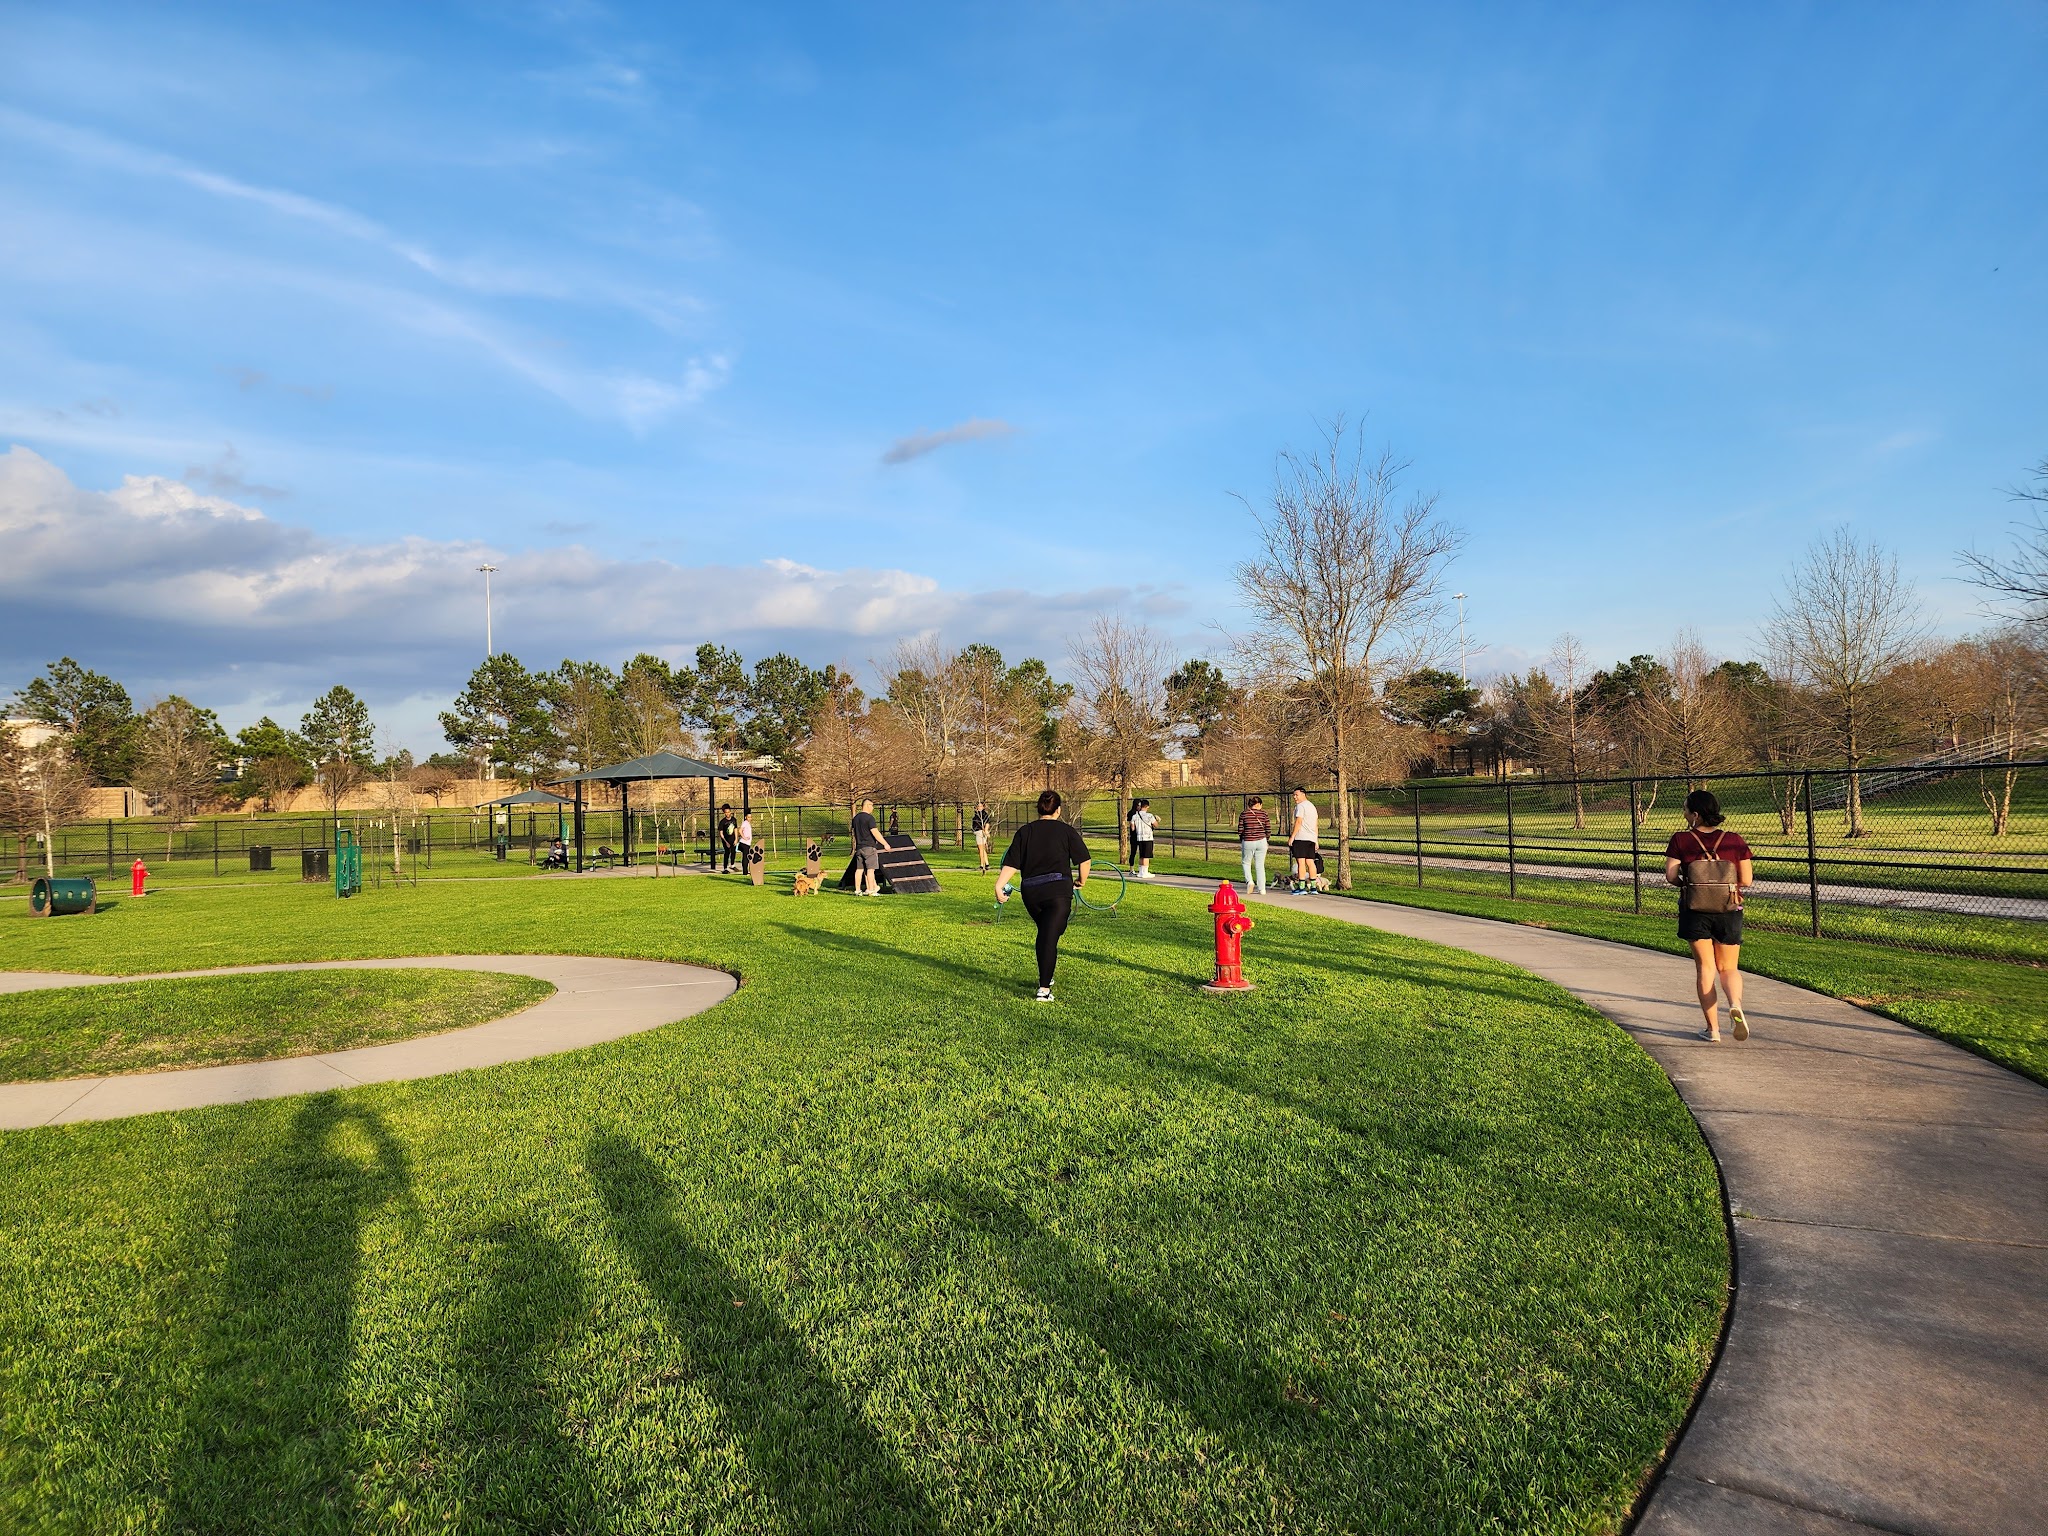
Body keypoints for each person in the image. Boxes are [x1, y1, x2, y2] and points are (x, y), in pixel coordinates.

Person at [1664, 789, 1756, 1043]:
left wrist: (1690, 883)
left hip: (1695, 911)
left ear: (1695, 815)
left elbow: (1671, 876)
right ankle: (1735, 1004)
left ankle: (1712, 1030)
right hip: (1729, 909)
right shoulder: (1734, 840)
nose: (1683, 814)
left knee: (1705, 969)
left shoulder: (1681, 840)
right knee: (1728, 968)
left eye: (1685, 810)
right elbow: (1746, 880)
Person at [995, 789, 1092, 1002]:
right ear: (1058, 810)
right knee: (1049, 936)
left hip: (1032, 894)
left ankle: (1047, 973)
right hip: (1058, 892)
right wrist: (1081, 881)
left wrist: (999, 885)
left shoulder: (1025, 831)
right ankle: (1044, 989)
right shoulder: (1066, 831)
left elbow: (1011, 862)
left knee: (1049, 933)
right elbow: (1084, 860)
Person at [850, 798, 885, 895]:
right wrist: (885, 843)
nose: (873, 808)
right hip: (869, 847)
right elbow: (875, 832)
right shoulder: (870, 818)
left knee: (859, 869)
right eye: (872, 805)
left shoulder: (855, 819)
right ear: (867, 805)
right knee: (870, 870)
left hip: (859, 847)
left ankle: (857, 890)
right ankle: (871, 890)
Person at [1287, 787, 1319, 893]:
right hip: (1311, 838)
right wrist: (1316, 839)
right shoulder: (1312, 806)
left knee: (1301, 862)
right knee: (1310, 862)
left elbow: (1298, 822)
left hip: (1301, 838)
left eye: (1296, 795)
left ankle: (1301, 887)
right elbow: (1315, 824)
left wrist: (1292, 837)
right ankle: (1313, 887)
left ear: (1303, 794)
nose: (1295, 797)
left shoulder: (1300, 806)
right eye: (1294, 795)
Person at [1236, 796, 1271, 894]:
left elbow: (1240, 830)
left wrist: (1242, 838)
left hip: (1248, 840)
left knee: (1246, 862)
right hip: (1261, 840)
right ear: (1259, 804)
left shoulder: (1244, 814)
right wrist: (1266, 839)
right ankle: (1262, 889)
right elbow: (1268, 829)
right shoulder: (1264, 814)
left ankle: (1250, 881)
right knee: (1260, 865)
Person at [1128, 798, 1159, 878]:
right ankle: (1145, 872)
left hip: (1139, 837)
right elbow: (1156, 825)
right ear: (1147, 806)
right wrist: (1157, 820)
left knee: (1141, 855)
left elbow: (1132, 828)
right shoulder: (1149, 816)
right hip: (1148, 837)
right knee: (1146, 856)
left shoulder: (1135, 816)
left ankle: (1141, 872)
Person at [971, 801, 995, 872]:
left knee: (981, 849)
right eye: (978, 806)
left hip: (980, 833)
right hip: (978, 832)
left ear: (983, 807)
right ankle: (987, 864)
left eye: (981, 806)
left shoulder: (983, 814)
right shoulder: (977, 814)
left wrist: (986, 830)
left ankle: (982, 865)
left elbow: (987, 823)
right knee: (982, 849)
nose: (979, 807)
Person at [717, 804, 738, 873]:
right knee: (727, 853)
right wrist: (726, 842)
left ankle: (732, 865)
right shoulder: (722, 822)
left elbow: (735, 829)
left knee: (733, 852)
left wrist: (736, 839)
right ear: (724, 813)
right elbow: (721, 833)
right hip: (726, 840)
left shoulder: (734, 820)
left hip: (733, 839)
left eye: (728, 812)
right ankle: (725, 868)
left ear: (730, 812)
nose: (727, 813)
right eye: (726, 812)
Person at [735, 811, 754, 875]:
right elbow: (740, 830)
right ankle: (745, 872)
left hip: (747, 843)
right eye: (748, 817)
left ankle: (746, 871)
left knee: (747, 857)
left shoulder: (748, 823)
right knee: (745, 858)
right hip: (744, 843)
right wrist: (744, 838)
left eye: (750, 817)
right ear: (746, 817)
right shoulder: (745, 823)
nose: (750, 818)